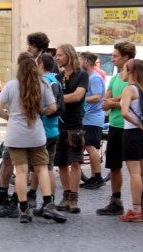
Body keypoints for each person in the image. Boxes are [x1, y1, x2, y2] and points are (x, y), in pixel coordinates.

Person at [0, 52, 66, 224]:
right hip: (36, 134)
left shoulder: (11, 86)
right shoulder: (41, 84)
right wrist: (41, 112)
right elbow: (53, 107)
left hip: (16, 135)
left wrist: (10, 117)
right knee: (41, 169)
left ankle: (24, 209)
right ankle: (48, 203)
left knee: (20, 172)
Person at [97, 42, 136, 216]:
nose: (112, 59)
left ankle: (140, 204)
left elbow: (133, 95)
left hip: (131, 127)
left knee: (135, 168)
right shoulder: (114, 78)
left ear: (126, 57)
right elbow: (105, 101)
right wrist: (115, 103)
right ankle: (116, 201)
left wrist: (114, 102)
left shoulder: (136, 76)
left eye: (115, 56)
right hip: (114, 126)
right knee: (114, 166)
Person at [119, 59, 143, 222]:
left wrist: (138, 123)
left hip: (133, 133)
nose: (121, 72)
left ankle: (135, 211)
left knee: (135, 172)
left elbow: (124, 113)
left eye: (123, 69)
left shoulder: (130, 89)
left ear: (130, 71)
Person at [54, 44, 88, 214]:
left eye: (60, 55)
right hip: (58, 124)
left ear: (69, 55)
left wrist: (58, 99)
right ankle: (66, 196)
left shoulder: (81, 75)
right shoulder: (58, 77)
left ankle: (74, 198)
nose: (57, 58)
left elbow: (78, 96)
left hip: (75, 124)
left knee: (75, 162)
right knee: (60, 163)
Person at [26, 53, 61, 208]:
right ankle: (35, 195)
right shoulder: (56, 81)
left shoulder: (43, 82)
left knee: (42, 168)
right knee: (45, 167)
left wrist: (40, 113)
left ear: (40, 64)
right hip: (54, 129)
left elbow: (44, 107)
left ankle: (48, 202)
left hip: (43, 131)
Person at [79, 52, 106, 189]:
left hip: (93, 118)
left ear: (86, 63)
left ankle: (98, 177)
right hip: (87, 118)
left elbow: (97, 96)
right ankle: (93, 176)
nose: (78, 63)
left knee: (91, 147)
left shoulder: (94, 78)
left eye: (80, 61)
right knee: (88, 147)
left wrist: (80, 98)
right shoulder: (88, 77)